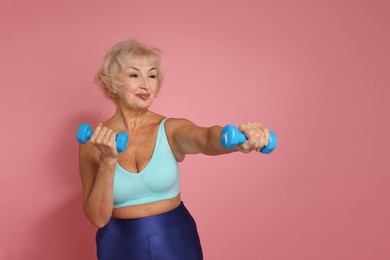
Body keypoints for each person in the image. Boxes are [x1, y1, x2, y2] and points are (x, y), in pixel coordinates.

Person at [79, 38, 270, 260]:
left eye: (152, 76)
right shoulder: (95, 142)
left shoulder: (170, 129)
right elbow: (98, 218)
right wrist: (109, 161)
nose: (145, 84)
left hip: (174, 239)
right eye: (134, 75)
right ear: (113, 82)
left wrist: (241, 140)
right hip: (118, 244)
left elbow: (206, 137)